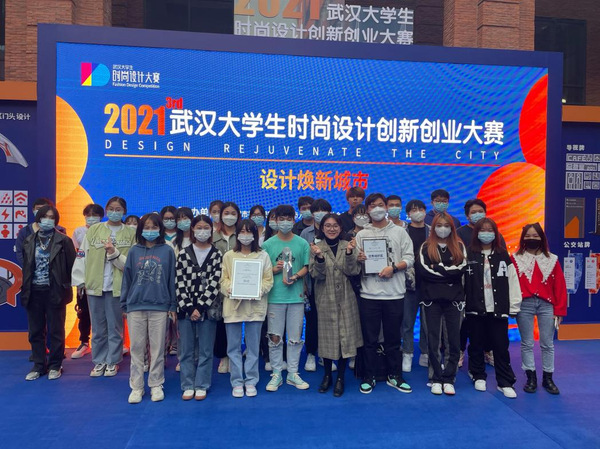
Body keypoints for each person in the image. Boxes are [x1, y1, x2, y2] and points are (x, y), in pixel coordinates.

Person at [355, 193, 414, 395]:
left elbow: (410, 258)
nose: (377, 209)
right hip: (369, 294)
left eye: (380, 205)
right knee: (370, 340)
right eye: (372, 206)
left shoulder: (400, 232)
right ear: (367, 210)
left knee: (393, 339)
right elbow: (354, 264)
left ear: (386, 207)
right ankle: (369, 376)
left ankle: (394, 375)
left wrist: (394, 268)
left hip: (394, 294)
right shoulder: (362, 234)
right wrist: (359, 259)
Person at [72, 196, 136, 377]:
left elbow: (132, 262)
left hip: (118, 286)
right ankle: (99, 360)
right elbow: (82, 255)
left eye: (118, 209)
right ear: (106, 210)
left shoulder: (130, 233)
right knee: (98, 327)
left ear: (124, 211)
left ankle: (113, 361)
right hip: (95, 285)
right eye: (111, 209)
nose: (114, 212)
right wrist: (80, 280)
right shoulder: (94, 230)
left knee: (115, 326)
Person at [121, 213, 176, 404]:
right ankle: (136, 387)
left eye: (154, 227)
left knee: (158, 349)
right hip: (135, 306)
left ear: (160, 229)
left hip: (160, 306)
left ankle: (156, 384)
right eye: (146, 227)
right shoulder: (134, 251)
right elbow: (127, 279)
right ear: (140, 229)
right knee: (136, 349)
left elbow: (171, 279)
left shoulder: (167, 251)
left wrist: (172, 305)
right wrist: (124, 304)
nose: (150, 231)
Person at [464, 218, 522, 398]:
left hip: (498, 309)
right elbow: (462, 281)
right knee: (476, 343)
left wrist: (514, 305)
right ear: (476, 233)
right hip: (475, 307)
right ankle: (477, 375)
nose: (486, 233)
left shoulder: (502, 254)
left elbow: (513, 280)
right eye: (483, 230)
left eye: (490, 230)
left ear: (495, 233)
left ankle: (505, 382)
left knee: (500, 346)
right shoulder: (469, 253)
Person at [309, 213, 362, 397]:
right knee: (327, 338)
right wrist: (319, 258)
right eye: (328, 225)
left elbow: (353, 270)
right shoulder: (316, 247)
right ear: (322, 228)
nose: (331, 229)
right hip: (325, 298)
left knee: (344, 338)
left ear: (341, 228)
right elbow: (316, 275)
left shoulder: (348, 245)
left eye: (335, 226)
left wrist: (349, 253)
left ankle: (340, 377)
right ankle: (327, 375)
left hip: (346, 297)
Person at [22, 205, 76, 380]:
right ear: (38, 218)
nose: (47, 220)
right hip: (33, 291)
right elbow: (26, 267)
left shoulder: (64, 241)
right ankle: (39, 366)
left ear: (56, 220)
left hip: (55, 291)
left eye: (52, 217)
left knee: (56, 331)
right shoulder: (29, 240)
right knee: (35, 331)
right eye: (44, 216)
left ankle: (55, 365)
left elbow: (72, 267)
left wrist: (66, 287)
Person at [512, 223, 567, 395]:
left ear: (542, 238)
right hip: (524, 304)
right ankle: (531, 377)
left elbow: (560, 286)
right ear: (523, 238)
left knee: (547, 343)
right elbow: (511, 284)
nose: (532, 239)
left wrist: (559, 310)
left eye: (535, 236)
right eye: (528, 236)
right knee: (527, 343)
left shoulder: (552, 259)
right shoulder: (515, 259)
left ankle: (548, 378)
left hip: (547, 305)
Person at [221, 219, 274, 398]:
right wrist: (231, 288)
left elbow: (268, 280)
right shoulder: (229, 256)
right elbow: (223, 279)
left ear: (255, 235)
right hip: (233, 307)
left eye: (249, 231)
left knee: (253, 347)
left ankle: (251, 380)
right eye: (242, 232)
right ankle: (237, 381)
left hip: (255, 307)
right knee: (233, 347)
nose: (245, 235)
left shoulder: (263, 255)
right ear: (237, 234)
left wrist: (258, 290)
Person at [262, 204, 310, 391]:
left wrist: (295, 276)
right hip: (275, 297)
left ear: (294, 219)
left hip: (296, 297)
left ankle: (292, 372)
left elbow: (306, 266)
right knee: (274, 337)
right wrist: (275, 269)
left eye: (288, 219)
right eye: (281, 219)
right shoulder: (267, 245)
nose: (285, 222)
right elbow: (263, 272)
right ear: (275, 220)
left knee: (295, 338)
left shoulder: (302, 243)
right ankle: (276, 373)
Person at [418, 212, 467, 395]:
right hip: (431, 300)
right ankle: (435, 378)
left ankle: (449, 378)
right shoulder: (425, 247)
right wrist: (447, 272)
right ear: (433, 227)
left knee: (453, 340)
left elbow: (461, 269)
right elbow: (424, 271)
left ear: (452, 228)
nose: (443, 229)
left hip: (454, 300)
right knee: (433, 340)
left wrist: (437, 267)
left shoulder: (459, 246)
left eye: (446, 225)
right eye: (439, 225)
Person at [175, 215, 223, 401]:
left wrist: (201, 307)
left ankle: (202, 384)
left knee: (205, 350)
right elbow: (179, 282)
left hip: (208, 310)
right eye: (199, 227)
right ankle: (187, 384)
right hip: (186, 309)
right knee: (186, 350)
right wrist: (190, 308)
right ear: (192, 230)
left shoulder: (217, 254)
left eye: (206, 228)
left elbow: (215, 283)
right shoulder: (183, 253)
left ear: (211, 230)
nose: (202, 231)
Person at [457, 198, 506, 368]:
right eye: (473, 212)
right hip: (469, 286)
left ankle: (488, 351)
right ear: (467, 215)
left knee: (489, 322)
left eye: (480, 211)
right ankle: (460, 351)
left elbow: (502, 258)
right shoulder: (460, 233)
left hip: (490, 287)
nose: (477, 214)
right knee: (465, 324)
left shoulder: (495, 234)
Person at [300, 198, 333, 372]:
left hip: (330, 283)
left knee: (328, 321)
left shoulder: (334, 230)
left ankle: (326, 354)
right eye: (317, 210)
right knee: (312, 320)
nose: (320, 213)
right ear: (312, 214)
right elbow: (302, 260)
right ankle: (311, 353)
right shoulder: (305, 233)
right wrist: (304, 284)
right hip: (311, 283)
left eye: (324, 210)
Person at [71, 203, 104, 359]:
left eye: (95, 215)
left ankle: (106, 343)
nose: (91, 218)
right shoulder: (78, 232)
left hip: (102, 278)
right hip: (84, 278)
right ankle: (84, 342)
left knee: (104, 313)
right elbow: (77, 256)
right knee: (83, 311)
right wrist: (79, 280)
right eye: (88, 215)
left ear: (101, 217)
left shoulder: (106, 231)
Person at [401, 199, 430, 372]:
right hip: (408, 283)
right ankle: (407, 353)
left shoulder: (432, 231)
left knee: (428, 322)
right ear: (408, 213)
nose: (417, 212)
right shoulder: (402, 231)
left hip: (429, 283)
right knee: (407, 321)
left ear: (425, 211)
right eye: (413, 209)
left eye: (420, 209)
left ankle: (425, 353)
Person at [212, 201, 241, 374]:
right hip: (218, 288)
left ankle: (236, 355)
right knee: (221, 324)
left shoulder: (243, 235)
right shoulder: (212, 236)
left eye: (233, 213)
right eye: (226, 213)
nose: (229, 216)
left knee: (237, 323)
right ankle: (224, 357)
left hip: (240, 287)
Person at [15, 197, 66, 265]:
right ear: (33, 210)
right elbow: (20, 252)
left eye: (44, 209)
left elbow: (65, 254)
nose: (41, 212)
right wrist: (28, 268)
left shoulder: (60, 231)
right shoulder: (25, 231)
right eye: (38, 209)